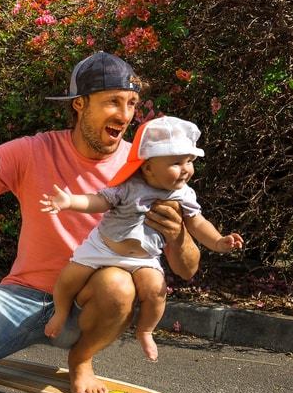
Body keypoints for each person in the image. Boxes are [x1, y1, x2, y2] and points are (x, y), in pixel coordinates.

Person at [0, 52, 200, 393]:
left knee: (119, 283)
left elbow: (187, 268)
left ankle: (82, 359)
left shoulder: (147, 169)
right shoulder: (35, 151)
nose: (124, 115)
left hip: (93, 303)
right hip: (26, 295)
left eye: (132, 103)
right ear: (80, 104)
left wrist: (177, 234)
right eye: (113, 102)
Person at [40, 115, 243, 362]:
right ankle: (60, 312)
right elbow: (99, 201)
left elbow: (198, 223)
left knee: (156, 290)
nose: (186, 169)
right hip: (104, 248)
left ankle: (146, 330)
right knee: (70, 276)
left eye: (189, 161)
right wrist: (69, 201)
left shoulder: (184, 194)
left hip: (145, 257)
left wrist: (218, 241)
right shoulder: (129, 186)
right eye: (177, 162)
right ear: (147, 167)